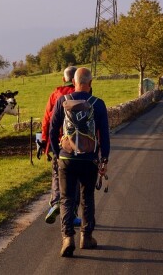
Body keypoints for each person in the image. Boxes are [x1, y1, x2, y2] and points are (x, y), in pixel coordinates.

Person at [49, 67, 110, 257]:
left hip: (66, 158)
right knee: (87, 197)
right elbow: (105, 136)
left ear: (73, 82)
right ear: (90, 83)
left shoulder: (62, 101)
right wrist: (104, 160)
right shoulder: (98, 104)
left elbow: (52, 131)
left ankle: (67, 238)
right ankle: (86, 237)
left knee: (67, 199)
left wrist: (56, 153)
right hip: (89, 159)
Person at [40, 66, 78, 224]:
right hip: (76, 144)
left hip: (57, 142)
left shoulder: (55, 95)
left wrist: (44, 141)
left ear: (64, 79)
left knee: (57, 174)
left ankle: (55, 203)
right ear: (75, 80)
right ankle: (73, 214)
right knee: (75, 178)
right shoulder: (82, 95)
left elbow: (47, 120)